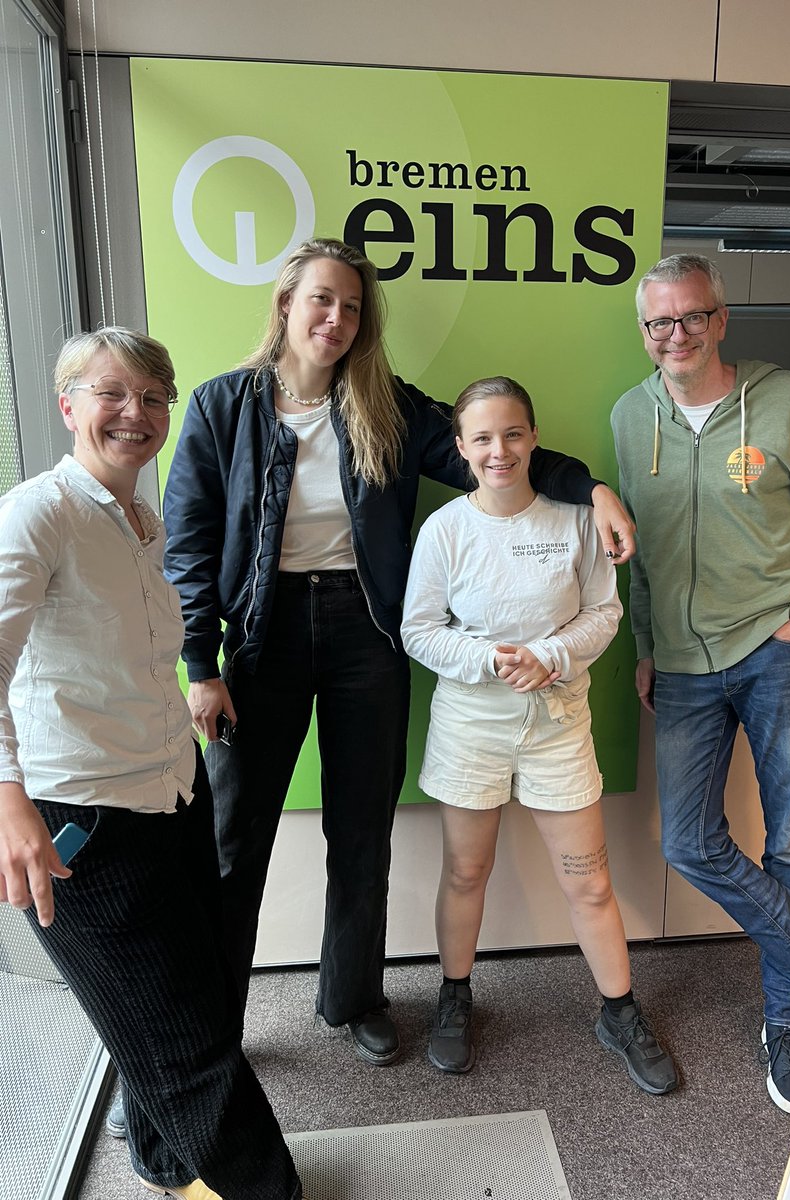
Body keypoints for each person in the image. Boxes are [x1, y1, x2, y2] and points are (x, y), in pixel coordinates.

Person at [163, 237, 636, 1067]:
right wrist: (199, 664)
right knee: (233, 840)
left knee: (361, 834)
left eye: (351, 305)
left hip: (366, 635)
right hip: (262, 636)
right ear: (285, 304)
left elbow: (493, 456)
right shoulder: (221, 406)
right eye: (321, 300)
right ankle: (207, 1030)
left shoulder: (385, 405)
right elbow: (189, 544)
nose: (336, 318)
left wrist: (590, 487)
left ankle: (352, 999)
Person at [0, 329, 301, 1200]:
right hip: (82, 818)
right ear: (68, 406)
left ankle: (170, 1167)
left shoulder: (140, 519)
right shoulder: (40, 512)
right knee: (192, 1049)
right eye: (112, 393)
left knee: (188, 1001)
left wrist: (193, 698)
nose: (137, 413)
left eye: (155, 397)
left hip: (168, 789)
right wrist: (9, 798)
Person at [610, 253, 790, 1114]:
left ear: (720, 320)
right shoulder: (629, 416)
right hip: (683, 668)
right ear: (644, 332)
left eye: (691, 317)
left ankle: (782, 1023)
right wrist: (647, 645)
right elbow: (637, 556)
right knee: (688, 841)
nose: (675, 335)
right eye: (659, 323)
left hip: (775, 651)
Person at [401, 376, 678, 1094]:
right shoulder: (446, 530)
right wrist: (490, 659)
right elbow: (418, 630)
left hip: (558, 723)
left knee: (589, 881)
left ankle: (619, 1012)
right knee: (466, 872)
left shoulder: (575, 519)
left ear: (534, 438)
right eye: (483, 438)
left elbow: (602, 613)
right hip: (471, 724)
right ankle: (455, 996)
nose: (501, 450)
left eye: (514, 434)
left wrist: (550, 657)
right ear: (461, 449)